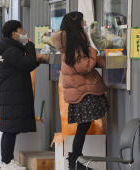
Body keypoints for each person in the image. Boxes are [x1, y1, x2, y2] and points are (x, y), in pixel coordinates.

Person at [51, 12, 110, 170]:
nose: (85, 21)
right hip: (84, 93)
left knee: (82, 129)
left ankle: (76, 161)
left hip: (80, 91)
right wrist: (92, 51)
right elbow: (84, 67)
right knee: (82, 129)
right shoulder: (75, 45)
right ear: (76, 24)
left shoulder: (70, 43)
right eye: (82, 19)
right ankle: (75, 162)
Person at [0, 20, 40, 170]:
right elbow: (27, 64)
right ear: (14, 33)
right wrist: (31, 47)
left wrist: (32, 57)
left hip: (11, 92)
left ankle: (6, 161)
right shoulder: (10, 50)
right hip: (13, 94)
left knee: (10, 128)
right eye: (21, 29)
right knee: (10, 129)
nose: (24, 31)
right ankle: (7, 162)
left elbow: (25, 63)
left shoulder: (8, 48)